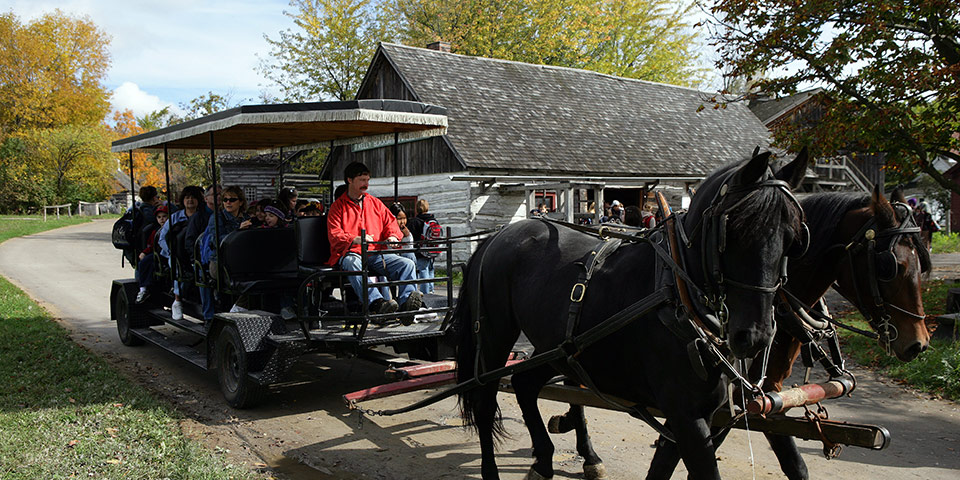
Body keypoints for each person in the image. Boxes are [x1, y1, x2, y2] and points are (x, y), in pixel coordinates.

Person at [326, 162, 422, 315]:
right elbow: (334, 234)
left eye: (367, 180)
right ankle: (376, 303)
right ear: (349, 180)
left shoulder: (375, 203)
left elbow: (390, 222)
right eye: (362, 180)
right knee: (351, 262)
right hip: (351, 253)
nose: (366, 184)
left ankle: (406, 306)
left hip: (375, 253)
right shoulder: (337, 207)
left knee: (407, 264)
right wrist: (354, 239)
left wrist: (392, 235)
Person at [198, 186, 250, 323]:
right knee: (244, 283)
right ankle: (236, 311)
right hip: (220, 262)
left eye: (232, 200)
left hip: (243, 261)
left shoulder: (246, 217)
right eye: (225, 199)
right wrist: (238, 230)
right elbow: (218, 241)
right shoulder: (217, 218)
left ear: (240, 202)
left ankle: (240, 308)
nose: (228, 202)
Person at [157, 185, 204, 320]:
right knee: (177, 266)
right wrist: (171, 252)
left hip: (196, 254)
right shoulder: (175, 218)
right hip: (176, 254)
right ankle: (177, 300)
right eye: (187, 197)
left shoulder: (202, 217)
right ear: (183, 200)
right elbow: (162, 238)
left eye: (193, 197)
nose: (190, 200)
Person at [135, 205, 169, 303]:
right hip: (157, 255)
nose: (162, 219)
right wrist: (144, 252)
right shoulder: (155, 231)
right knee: (144, 262)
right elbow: (151, 246)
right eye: (159, 217)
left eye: (164, 216)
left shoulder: (172, 229)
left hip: (167, 255)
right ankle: (143, 289)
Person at [409, 198, 438, 294]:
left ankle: (425, 293)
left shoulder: (415, 221)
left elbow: (411, 236)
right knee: (430, 269)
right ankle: (431, 290)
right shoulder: (433, 220)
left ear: (417, 208)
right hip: (432, 249)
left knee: (423, 270)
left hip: (421, 250)